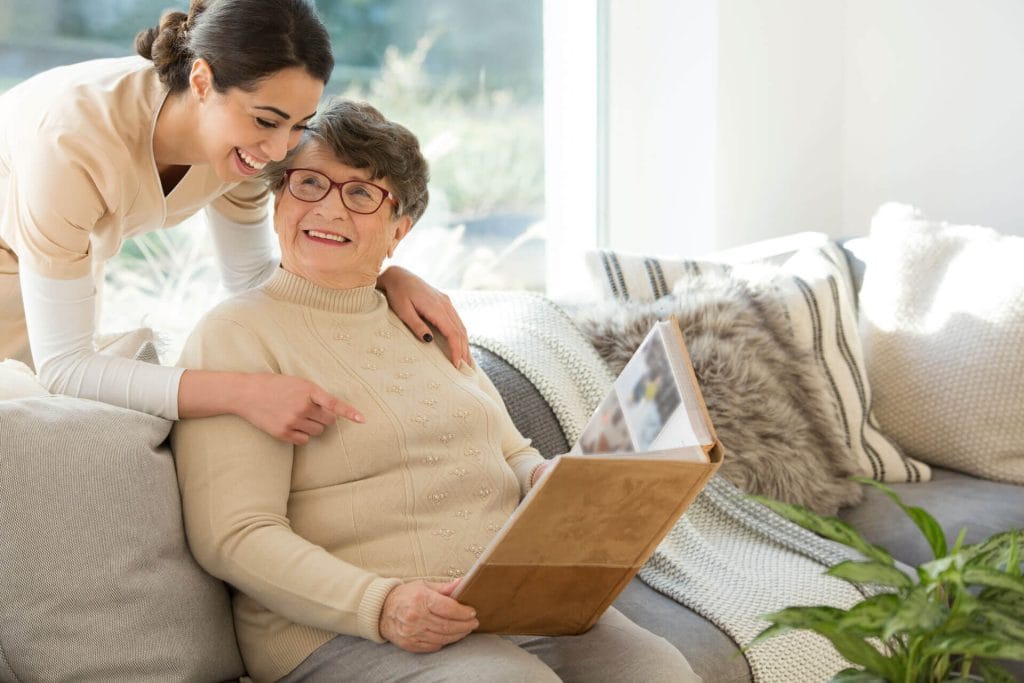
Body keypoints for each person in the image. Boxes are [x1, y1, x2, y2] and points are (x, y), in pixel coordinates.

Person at [171, 99, 701, 682]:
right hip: (341, 630)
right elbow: (235, 535)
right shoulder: (237, 335)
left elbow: (509, 449)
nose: (329, 207)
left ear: (399, 230)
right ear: (277, 202)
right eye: (309, 183)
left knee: (659, 669)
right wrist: (383, 605)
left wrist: (542, 480)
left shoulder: (420, 316)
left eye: (362, 194)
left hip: (513, 604)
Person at [0, 0, 468, 444]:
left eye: (300, 125)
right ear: (202, 81)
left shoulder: (240, 153)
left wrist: (381, 281)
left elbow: (249, 279)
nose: (281, 150)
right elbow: (67, 367)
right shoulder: (74, 143)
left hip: (44, 271)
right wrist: (244, 393)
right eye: (267, 120)